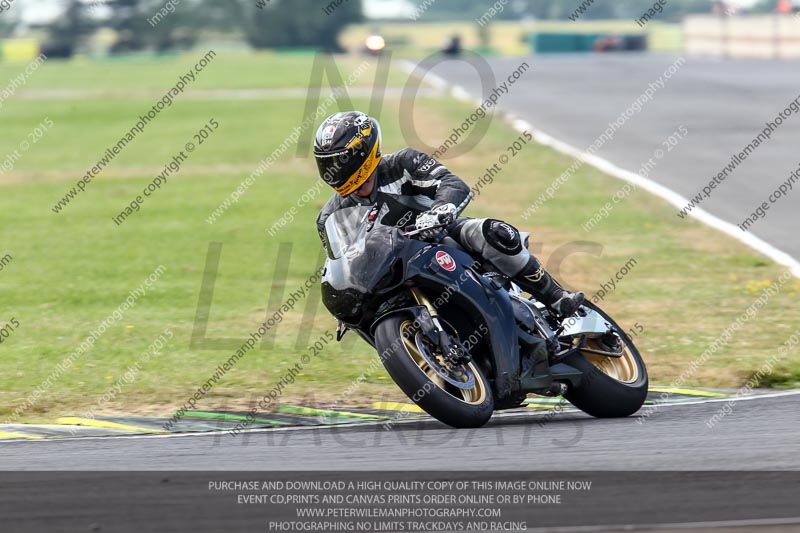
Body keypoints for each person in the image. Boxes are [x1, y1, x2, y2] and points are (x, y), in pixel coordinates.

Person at [313, 111, 584, 318]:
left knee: (491, 232)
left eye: (339, 160)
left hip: (441, 235)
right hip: (392, 272)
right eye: (326, 163)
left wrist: (440, 210)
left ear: (362, 151)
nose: (333, 170)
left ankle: (555, 297)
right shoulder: (329, 217)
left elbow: (452, 183)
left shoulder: (403, 162)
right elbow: (342, 265)